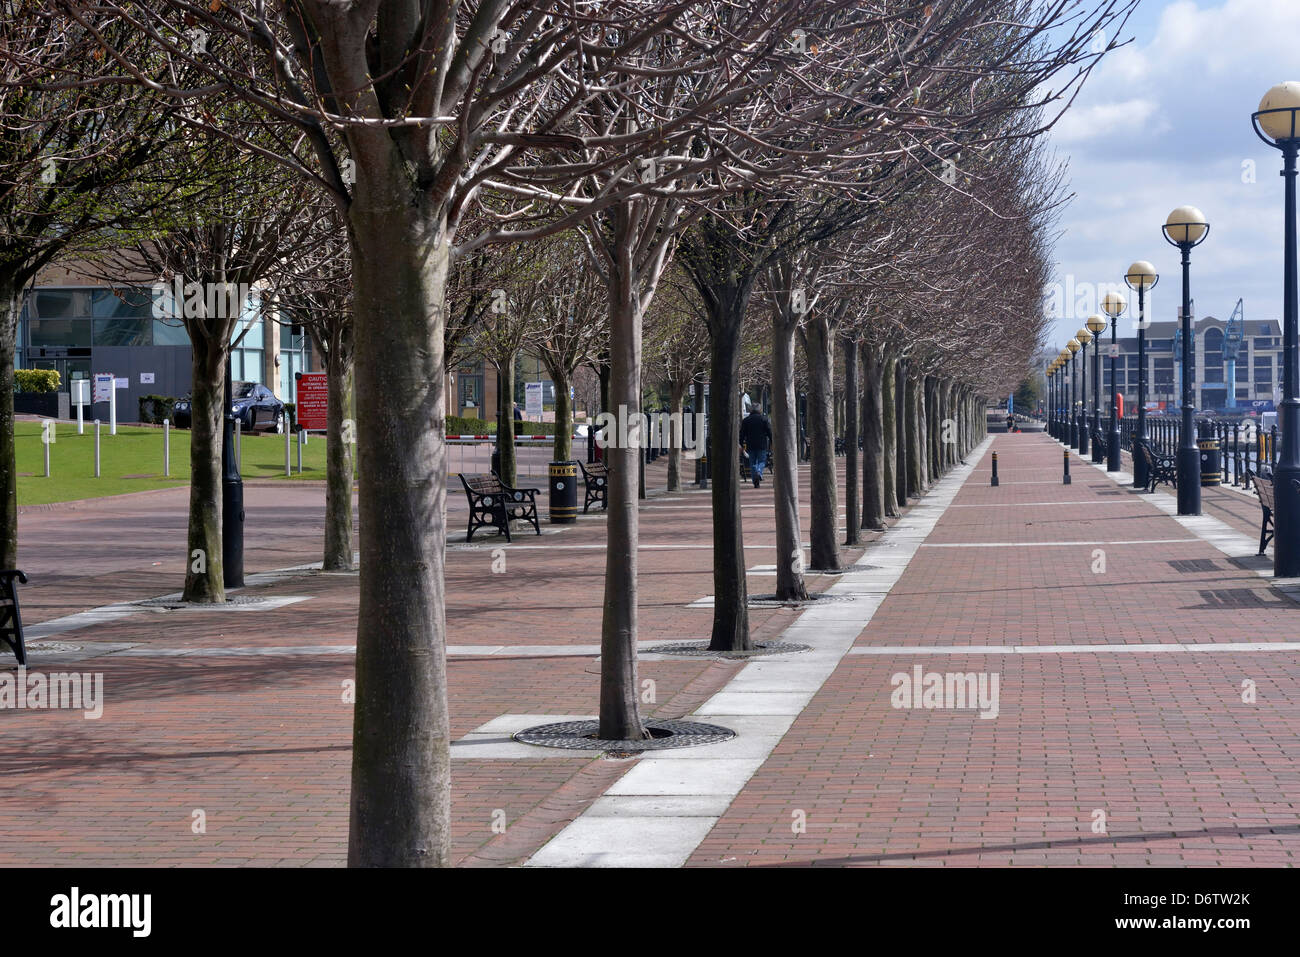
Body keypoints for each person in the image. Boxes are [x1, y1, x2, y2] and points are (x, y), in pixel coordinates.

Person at [739, 405, 773, 488]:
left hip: (750, 444)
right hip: (761, 444)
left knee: (752, 462)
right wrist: (772, 441)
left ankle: (755, 481)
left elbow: (742, 434)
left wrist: (741, 444)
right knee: (762, 461)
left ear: (751, 411)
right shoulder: (764, 419)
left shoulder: (746, 420)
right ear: (760, 410)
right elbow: (769, 431)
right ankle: (759, 472)